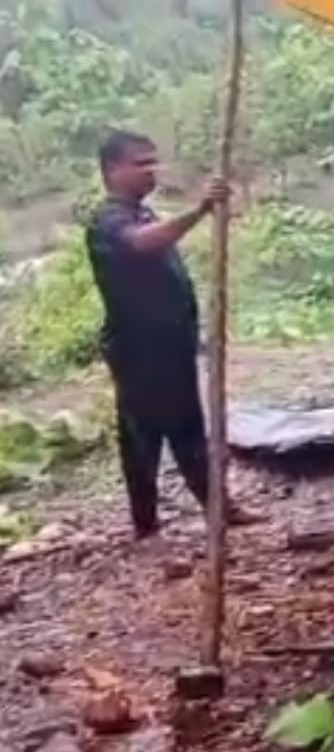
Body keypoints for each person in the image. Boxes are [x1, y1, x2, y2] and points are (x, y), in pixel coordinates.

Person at [85, 130, 259, 540]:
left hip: (169, 346)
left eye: (154, 161)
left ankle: (213, 507)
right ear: (112, 170)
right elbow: (144, 245)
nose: (152, 171)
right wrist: (200, 209)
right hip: (139, 352)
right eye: (141, 163)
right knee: (145, 435)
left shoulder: (142, 213)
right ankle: (148, 521)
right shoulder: (108, 221)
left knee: (185, 428)